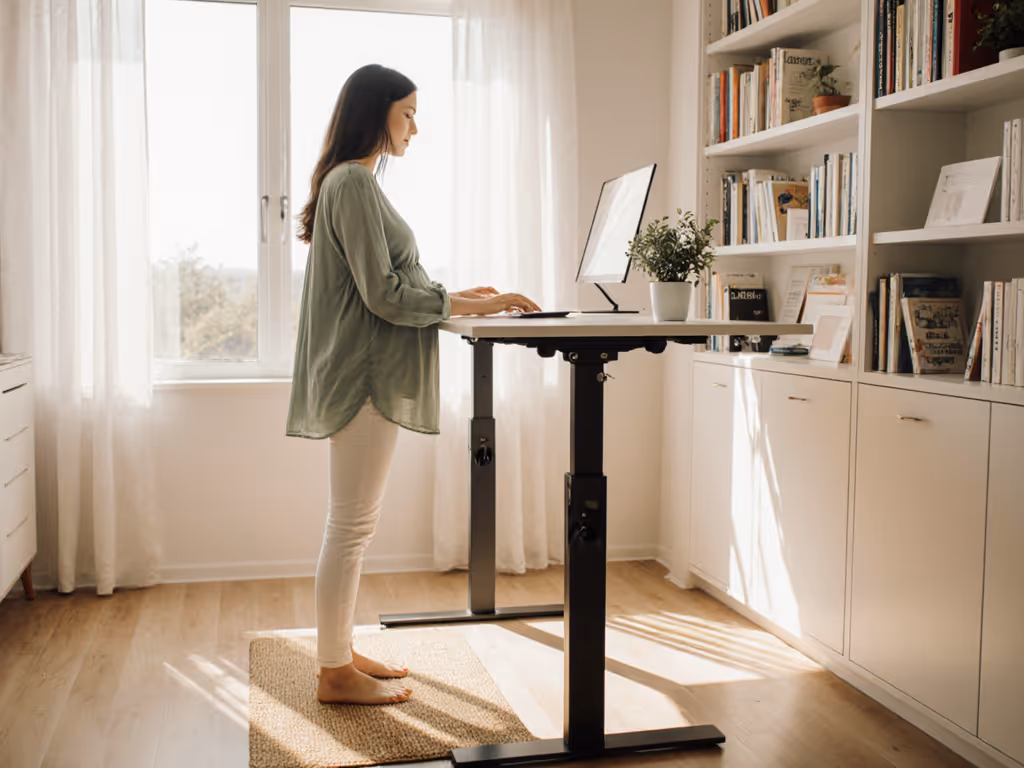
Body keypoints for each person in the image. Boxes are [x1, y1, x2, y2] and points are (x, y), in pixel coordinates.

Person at [287, 63, 541, 706]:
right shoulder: (352, 182)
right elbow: (384, 295)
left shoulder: (352, 182)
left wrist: (466, 297)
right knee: (350, 526)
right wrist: (480, 305)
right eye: (408, 114)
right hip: (364, 374)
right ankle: (333, 673)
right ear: (377, 113)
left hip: (363, 371)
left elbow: (396, 286)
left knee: (352, 525)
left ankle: (339, 653)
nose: (415, 129)